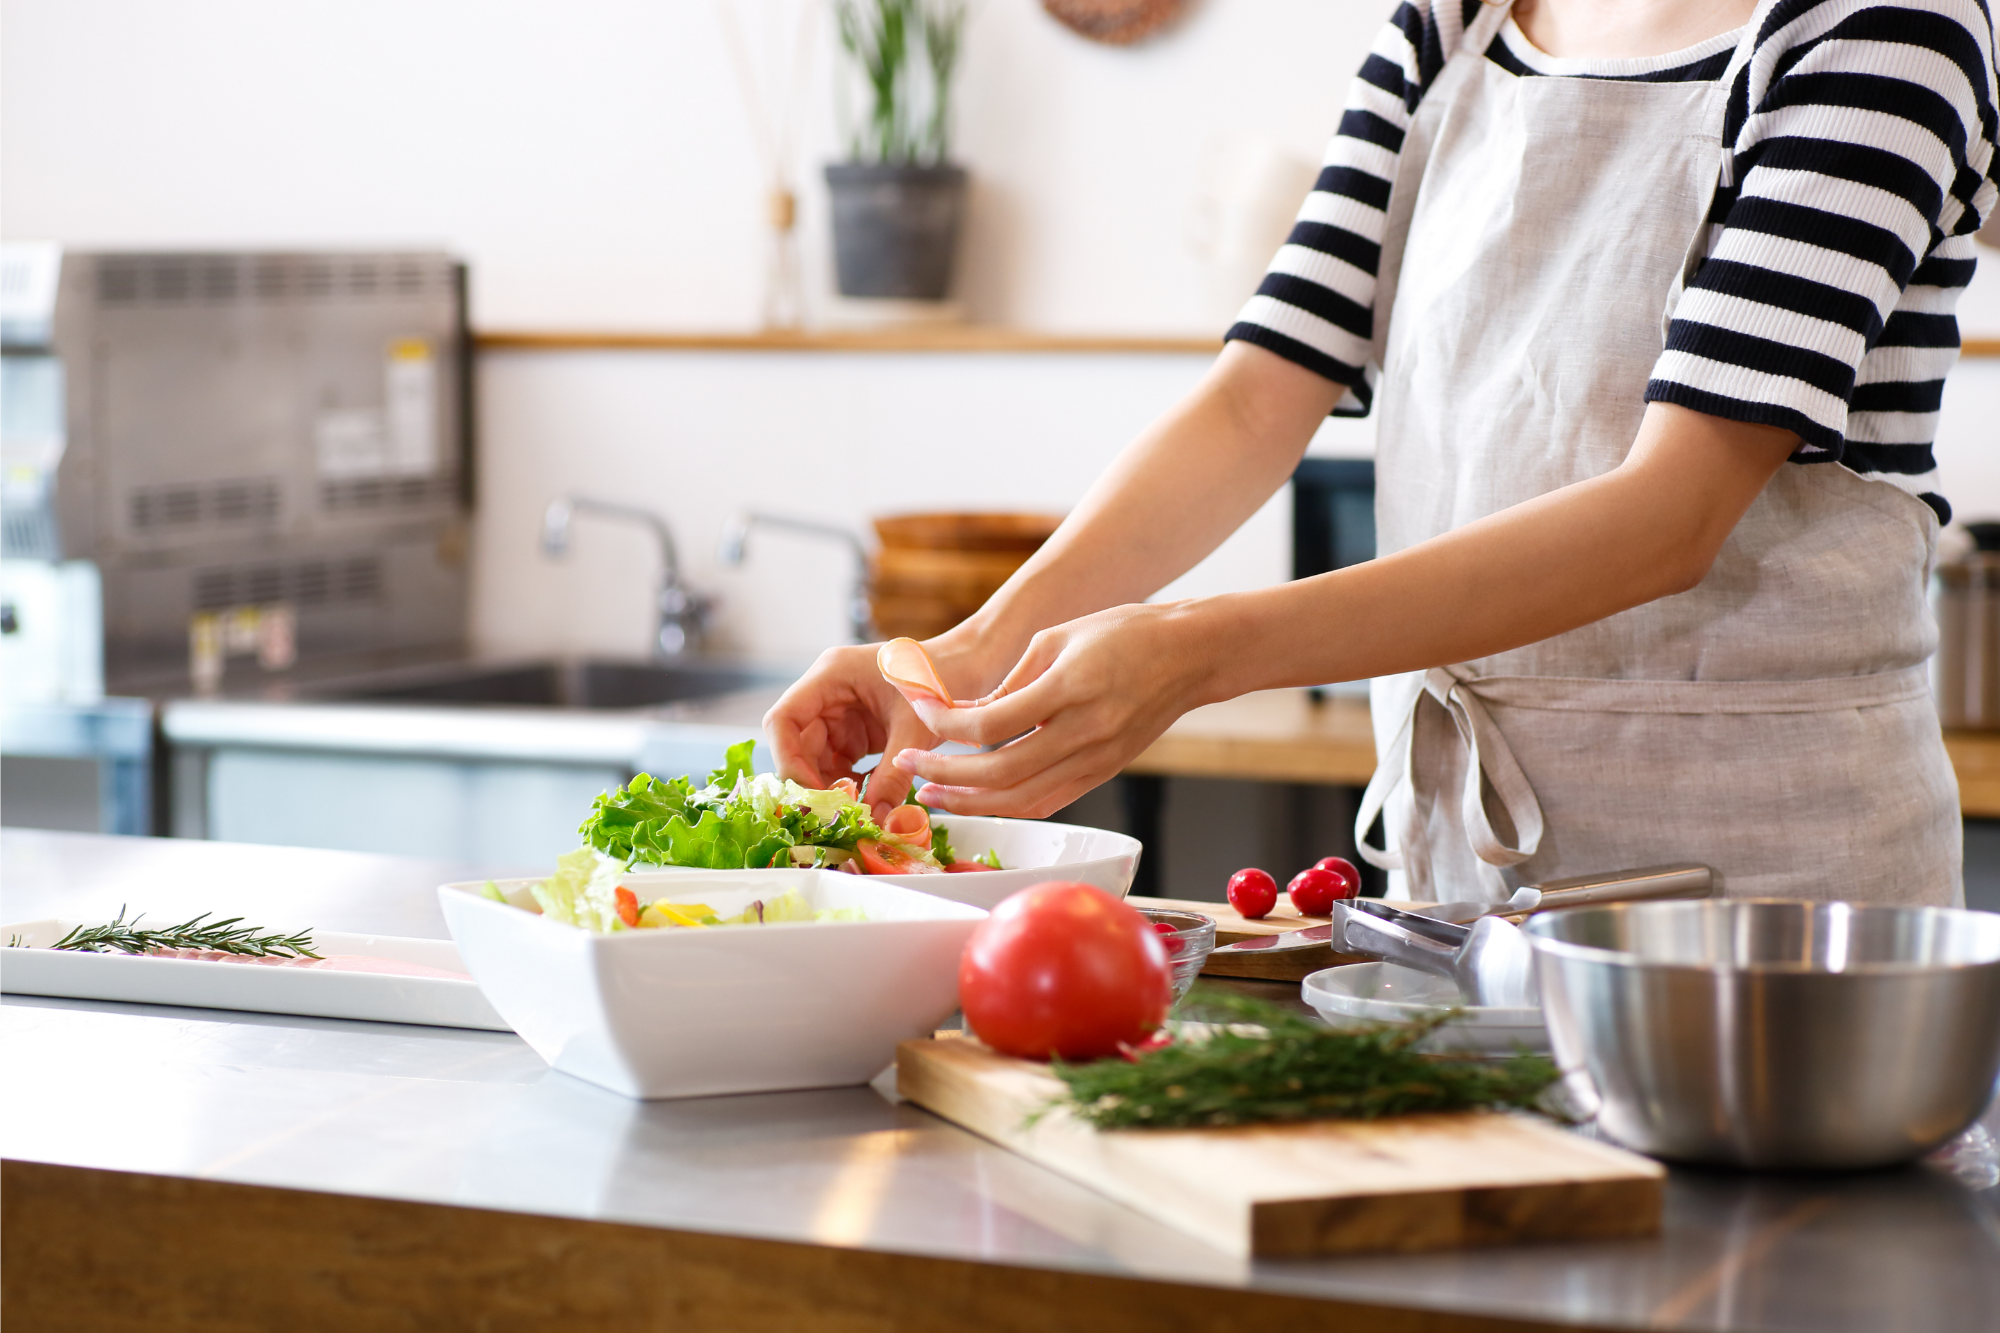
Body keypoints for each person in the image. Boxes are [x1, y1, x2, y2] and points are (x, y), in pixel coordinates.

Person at [769, 0, 1997, 904]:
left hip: (1771, 903)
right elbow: (1258, 395)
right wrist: (957, 659)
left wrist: (1198, 651)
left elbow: (1667, 514)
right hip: (1455, 887)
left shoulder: (1883, 29)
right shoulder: (1449, 24)